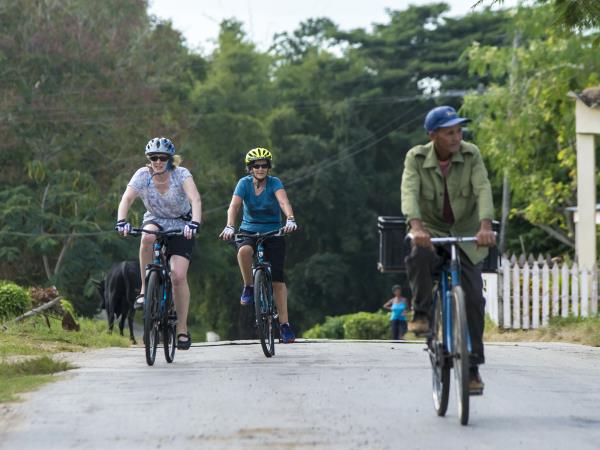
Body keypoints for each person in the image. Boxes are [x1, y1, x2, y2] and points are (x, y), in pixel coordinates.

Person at [400, 106, 496, 393]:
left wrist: (485, 226)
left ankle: (472, 369)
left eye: (459, 131)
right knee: (419, 257)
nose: (457, 137)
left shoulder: (471, 154)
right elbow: (409, 192)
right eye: (449, 132)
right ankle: (422, 313)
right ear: (433, 136)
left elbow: (483, 188)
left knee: (474, 299)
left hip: (468, 231)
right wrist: (416, 227)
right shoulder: (416, 157)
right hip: (430, 230)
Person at [116, 137, 202, 350]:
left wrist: (194, 223)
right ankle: (145, 289)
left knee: (178, 276)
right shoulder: (142, 175)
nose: (158, 161)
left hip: (182, 224)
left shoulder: (181, 174)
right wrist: (121, 221)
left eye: (162, 157)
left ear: (170, 159)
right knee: (147, 237)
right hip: (155, 220)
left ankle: (182, 328)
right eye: (153, 157)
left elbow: (195, 199)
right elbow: (127, 199)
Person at [219, 148, 298, 344]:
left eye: (264, 165)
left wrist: (290, 219)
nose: (260, 169)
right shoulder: (243, 184)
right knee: (244, 250)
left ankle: (284, 325)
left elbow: (283, 201)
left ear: (269, 167)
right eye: (256, 165)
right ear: (250, 168)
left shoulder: (275, 183)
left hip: (273, 231)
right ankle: (248, 286)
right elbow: (234, 206)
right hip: (249, 230)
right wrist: (230, 225)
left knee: (277, 281)